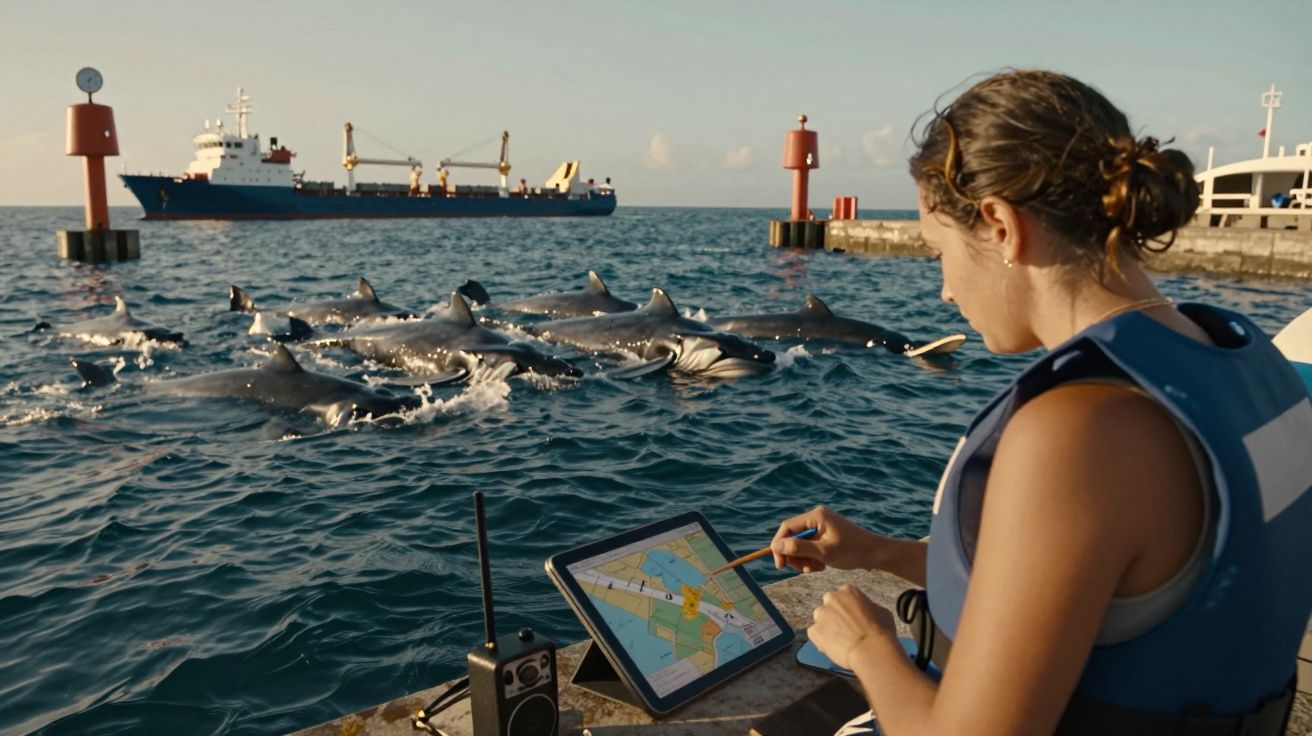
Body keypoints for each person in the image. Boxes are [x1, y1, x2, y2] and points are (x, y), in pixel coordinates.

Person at [771, 69, 1312, 735]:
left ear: (999, 225)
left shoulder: (1083, 431)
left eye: (939, 253)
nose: (943, 291)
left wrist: (867, 647)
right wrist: (878, 551)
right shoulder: (1252, 364)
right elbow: (1095, 582)